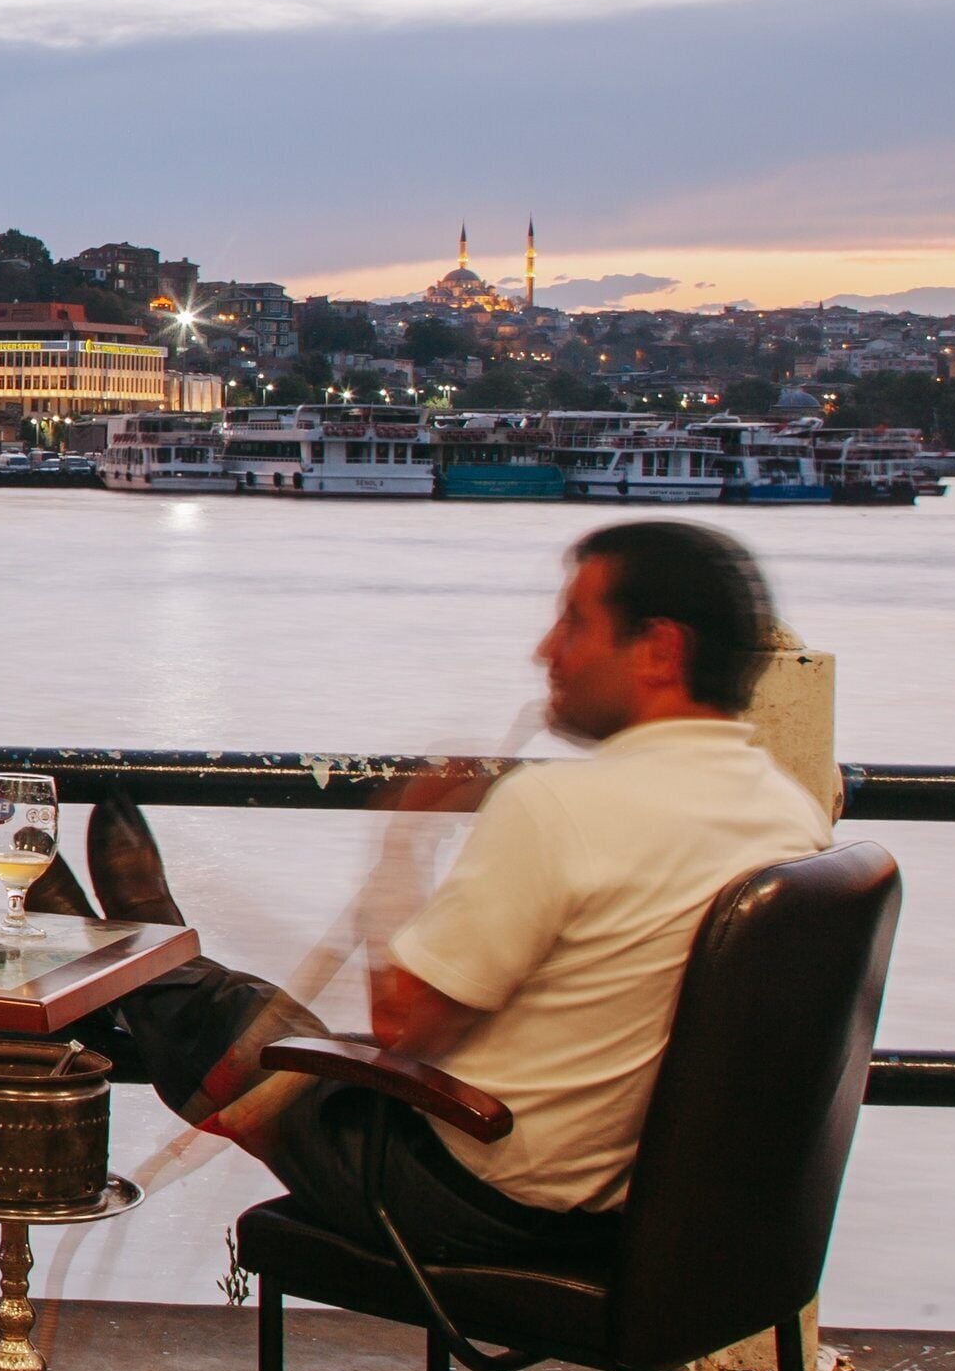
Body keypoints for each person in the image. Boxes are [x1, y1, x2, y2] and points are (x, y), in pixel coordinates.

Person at [49, 520, 835, 1262]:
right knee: (281, 1034)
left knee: (232, 1022)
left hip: (485, 1193)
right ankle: (135, 960)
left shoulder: (564, 808)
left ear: (659, 649)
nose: (545, 651)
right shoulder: (791, 817)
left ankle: (123, 962)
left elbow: (402, 1029)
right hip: (657, 1207)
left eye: (573, 624)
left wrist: (405, 836)